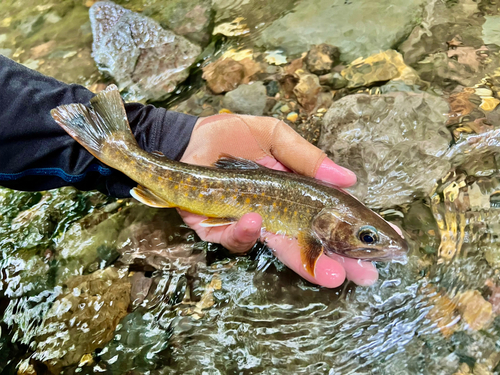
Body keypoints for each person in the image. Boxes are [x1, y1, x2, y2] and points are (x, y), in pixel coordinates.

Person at [0, 55, 379, 288]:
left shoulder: (324, 215)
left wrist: (165, 135)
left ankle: (118, 148)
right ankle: (117, 148)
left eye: (368, 237)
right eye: (366, 237)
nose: (370, 243)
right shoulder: (322, 221)